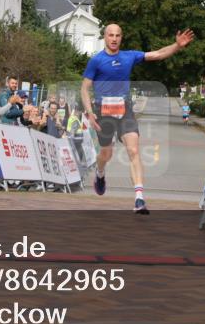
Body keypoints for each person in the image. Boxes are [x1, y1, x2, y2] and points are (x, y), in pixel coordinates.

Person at [82, 23, 195, 214]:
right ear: (105, 37)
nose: (114, 39)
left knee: (133, 150)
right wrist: (89, 111)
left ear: (121, 37)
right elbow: (84, 88)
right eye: (111, 35)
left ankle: (139, 199)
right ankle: (100, 174)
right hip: (104, 112)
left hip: (125, 109)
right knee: (106, 154)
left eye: (118, 35)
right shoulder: (96, 61)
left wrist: (176, 46)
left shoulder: (128, 56)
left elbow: (158, 54)